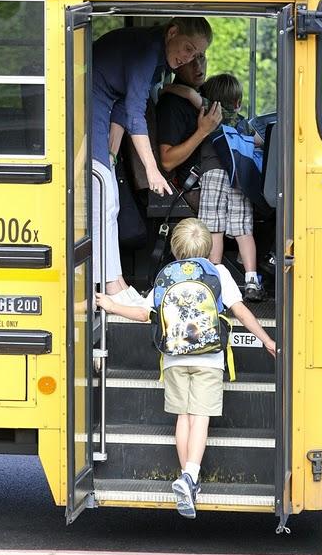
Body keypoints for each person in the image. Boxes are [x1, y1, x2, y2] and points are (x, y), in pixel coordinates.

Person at [95, 218, 276, 519]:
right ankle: (190, 476)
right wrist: (266, 339)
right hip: (209, 359)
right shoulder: (217, 273)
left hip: (175, 358)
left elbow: (144, 313)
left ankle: (187, 478)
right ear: (208, 246)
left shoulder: (166, 275)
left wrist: (112, 306)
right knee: (200, 418)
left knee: (184, 417)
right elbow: (240, 310)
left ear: (175, 247)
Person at [90, 17, 214, 304]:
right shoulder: (147, 50)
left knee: (111, 201)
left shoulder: (159, 61)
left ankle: (117, 281)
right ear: (171, 32)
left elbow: (124, 104)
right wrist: (152, 170)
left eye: (195, 54)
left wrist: (113, 148)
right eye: (187, 48)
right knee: (104, 199)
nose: (188, 57)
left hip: (105, 105)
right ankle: (110, 286)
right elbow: (134, 112)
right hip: (90, 100)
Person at [163, 73, 265, 301]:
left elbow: (188, 93)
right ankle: (251, 280)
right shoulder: (243, 122)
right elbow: (259, 140)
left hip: (213, 174)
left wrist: (165, 88)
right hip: (239, 176)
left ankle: (214, 277)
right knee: (243, 229)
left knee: (214, 228)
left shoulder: (210, 112)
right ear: (238, 102)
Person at [156, 55, 222, 209]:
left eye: (201, 57)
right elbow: (167, 161)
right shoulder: (172, 104)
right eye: (190, 61)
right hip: (194, 186)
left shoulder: (202, 94)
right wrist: (202, 132)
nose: (198, 66)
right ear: (176, 65)